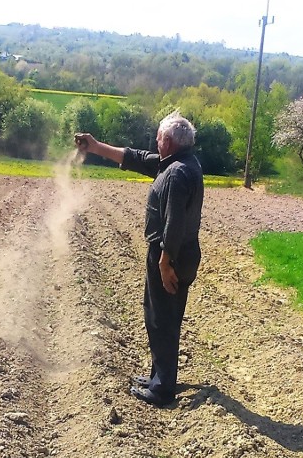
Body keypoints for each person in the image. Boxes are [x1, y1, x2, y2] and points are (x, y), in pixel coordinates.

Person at [74, 111, 203, 406]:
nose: (155, 143)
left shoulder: (177, 174)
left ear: (168, 141)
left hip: (170, 257)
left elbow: (174, 223)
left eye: (158, 138)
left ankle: (161, 390)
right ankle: (160, 376)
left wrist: (164, 262)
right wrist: (95, 146)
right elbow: (136, 157)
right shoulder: (178, 163)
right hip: (175, 255)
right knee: (161, 316)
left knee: (162, 320)